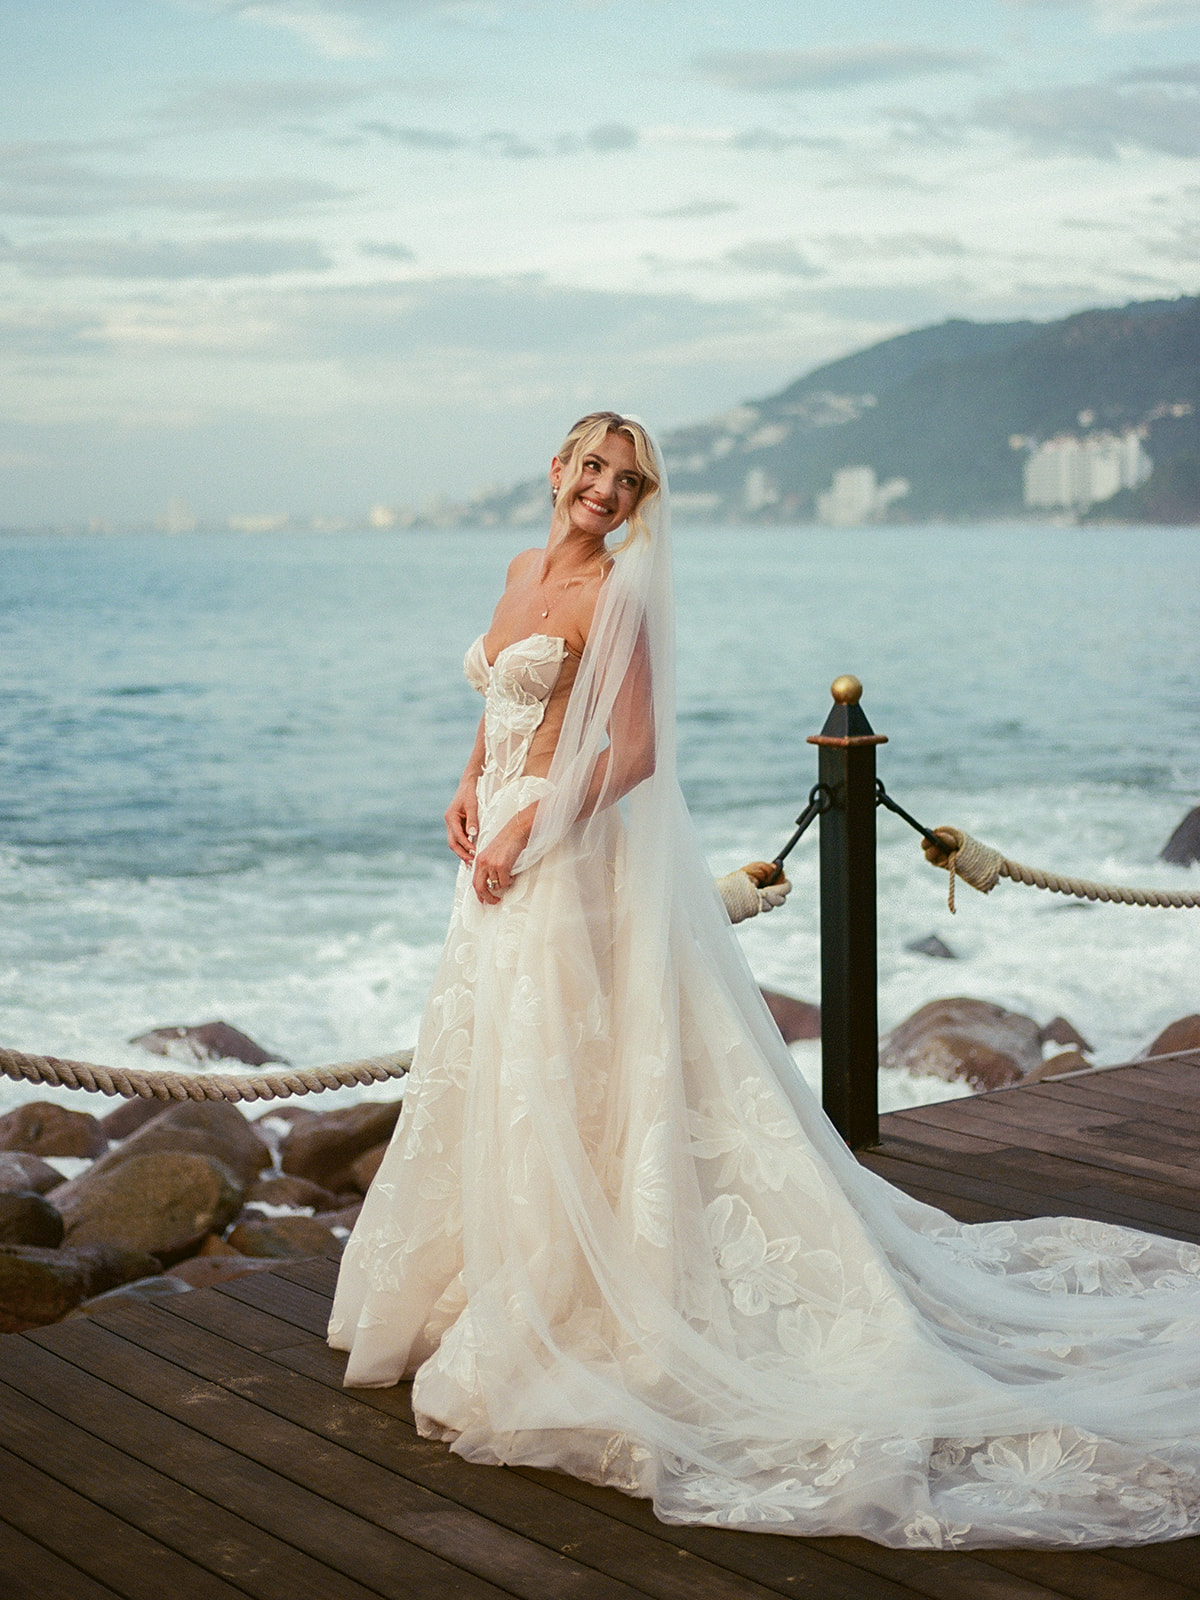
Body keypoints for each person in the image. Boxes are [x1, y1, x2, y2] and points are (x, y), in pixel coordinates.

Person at [330, 412, 1200, 1550]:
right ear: (556, 471)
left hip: (563, 853)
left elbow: (631, 754)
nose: (602, 488)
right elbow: (507, 702)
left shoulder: (618, 597)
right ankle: (502, 1270)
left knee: (574, 1056)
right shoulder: (518, 569)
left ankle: (593, 1282)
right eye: (590, 466)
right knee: (503, 1053)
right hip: (495, 841)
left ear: (638, 501)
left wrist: (533, 826)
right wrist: (469, 791)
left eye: (624, 479)